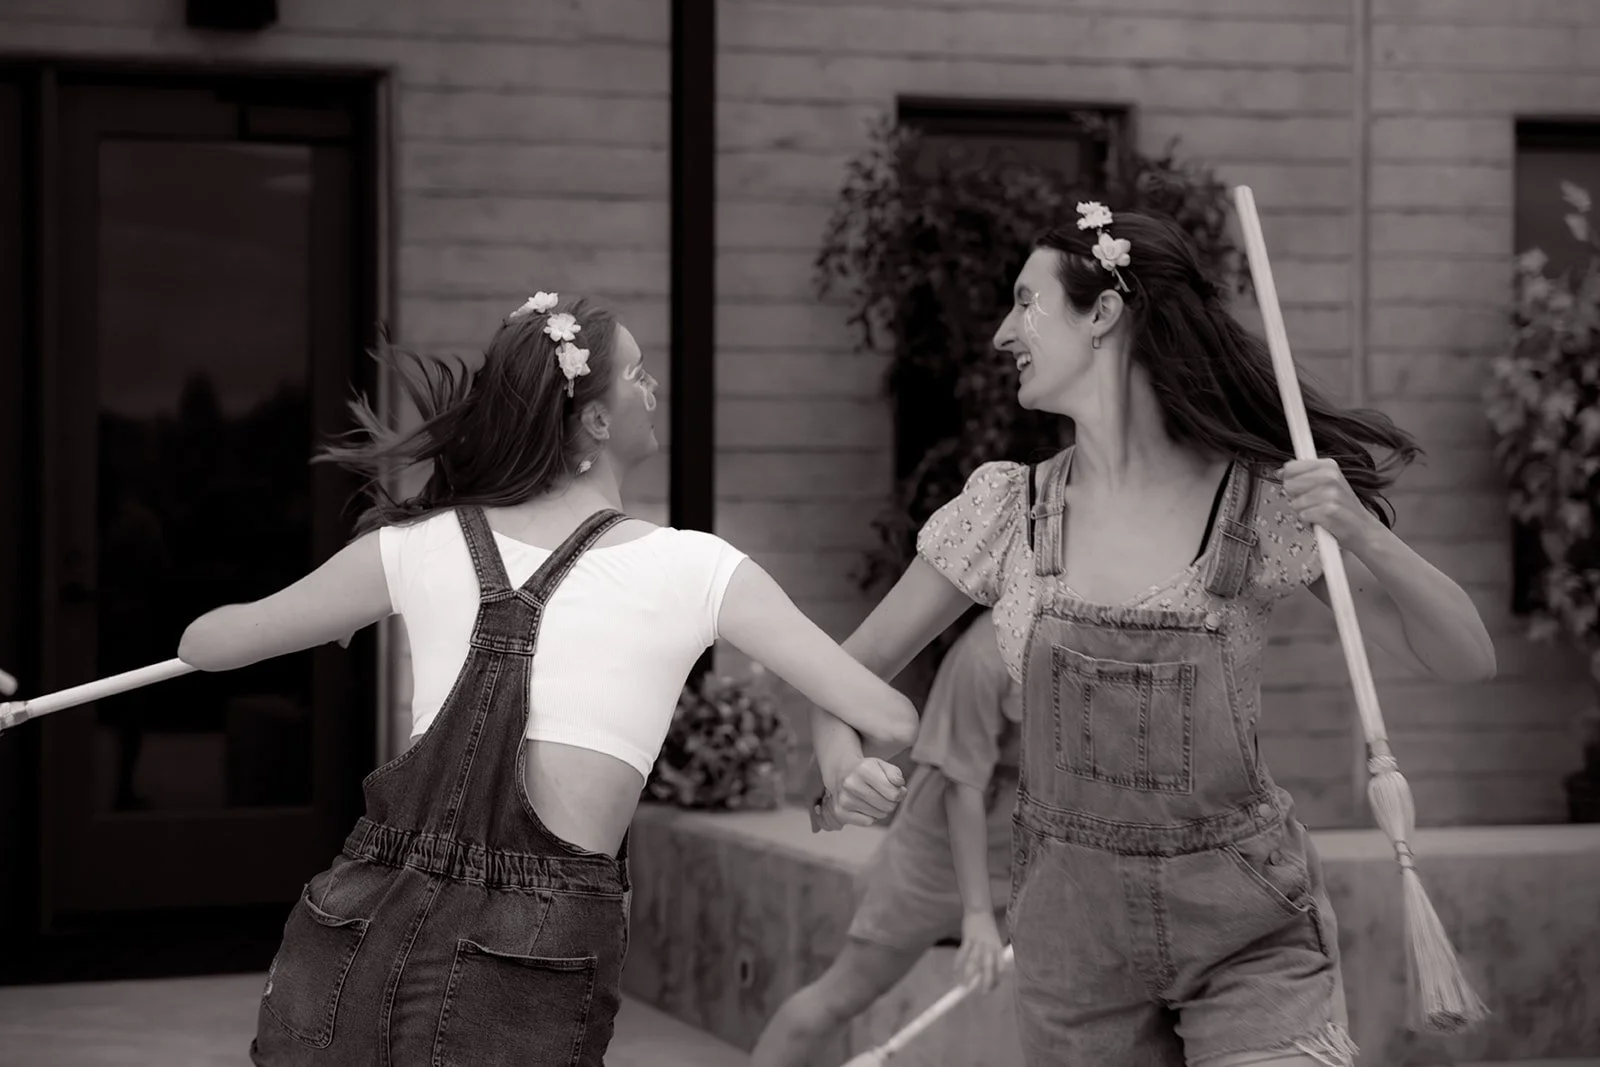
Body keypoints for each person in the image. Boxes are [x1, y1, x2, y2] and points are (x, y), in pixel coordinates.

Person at [806, 205, 1497, 1067]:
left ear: (1102, 314)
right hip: (1071, 949)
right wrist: (841, 770)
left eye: (1025, 303)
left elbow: (1467, 654)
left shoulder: (1264, 502)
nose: (999, 333)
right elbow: (840, 674)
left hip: (1248, 932)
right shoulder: (1005, 512)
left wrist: (1365, 534)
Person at [176, 292, 920, 1066]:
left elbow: (210, 643)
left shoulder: (416, 544)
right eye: (638, 373)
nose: (653, 386)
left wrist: (345, 599)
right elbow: (887, 715)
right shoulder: (696, 568)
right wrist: (837, 778)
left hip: (350, 934)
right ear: (595, 421)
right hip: (529, 953)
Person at [750, 609, 1020, 1067]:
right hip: (936, 857)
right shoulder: (984, 654)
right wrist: (977, 914)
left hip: (1031, 852)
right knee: (843, 994)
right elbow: (963, 787)